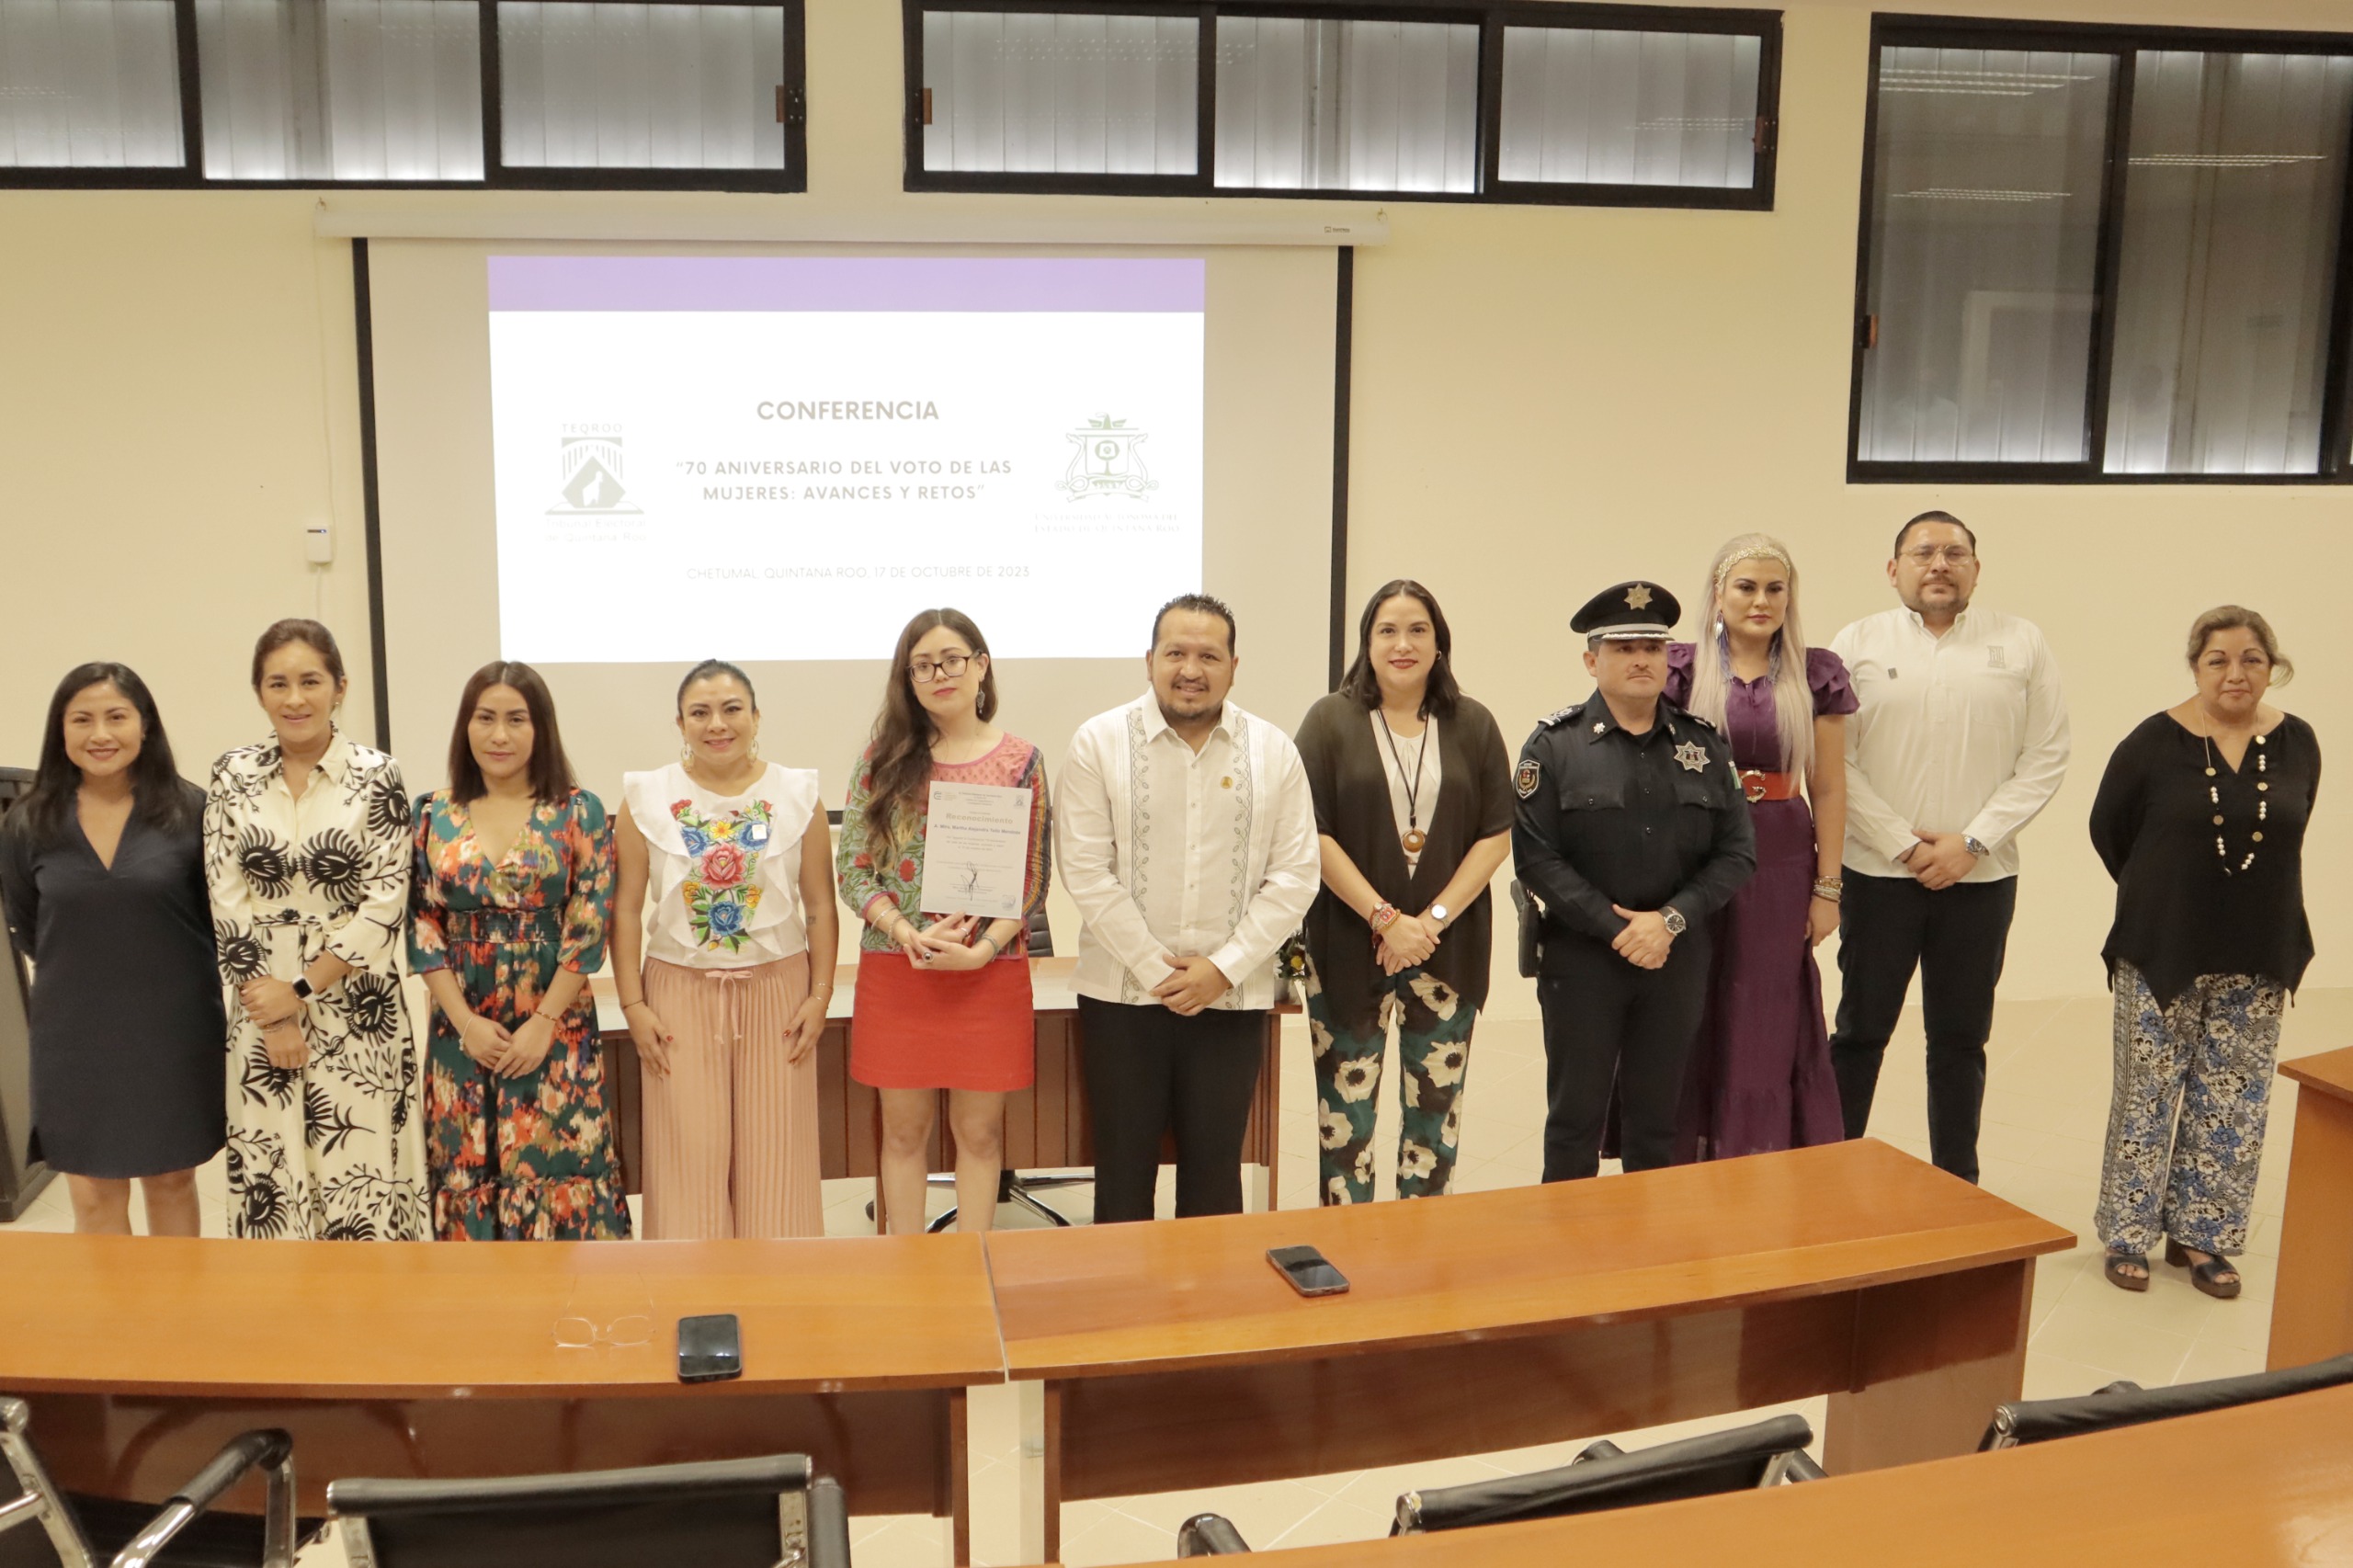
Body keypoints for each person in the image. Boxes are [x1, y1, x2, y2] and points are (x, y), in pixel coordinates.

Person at [1057, 594, 1319, 1221]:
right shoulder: (1098, 742)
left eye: (1209, 656)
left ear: (1234, 666)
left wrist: (1221, 969)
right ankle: (1126, 1288)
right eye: (1175, 653)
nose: (1191, 670)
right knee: (1122, 1172)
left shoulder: (1274, 750)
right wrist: (1158, 971)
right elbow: (1085, 870)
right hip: (1122, 998)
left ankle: (1210, 1289)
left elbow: (1295, 873)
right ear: (1149, 660)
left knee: (1215, 1173)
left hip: (1231, 996)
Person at [1828, 512, 2070, 1184]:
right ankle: (1826, 1176)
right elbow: (1835, 761)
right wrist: (1903, 846)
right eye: (1923, 552)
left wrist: (1973, 842)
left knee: (1961, 1040)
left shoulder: (2021, 642)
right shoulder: (1856, 643)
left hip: (1980, 878)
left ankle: (1958, 1185)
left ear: (1975, 569)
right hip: (1877, 875)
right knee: (1859, 1033)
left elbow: (2046, 755)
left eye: (1954, 553)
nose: (1939, 564)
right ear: (1894, 569)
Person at [2089, 608, 2316, 1299]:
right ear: (2196, 667)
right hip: (2163, 946)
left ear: (2272, 667)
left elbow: (2295, 823)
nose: (2235, 673)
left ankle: (2201, 1237)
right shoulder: (2152, 741)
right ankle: (2128, 1233)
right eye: (2218, 659)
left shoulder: (2299, 741)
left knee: (2234, 1102)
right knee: (2147, 1097)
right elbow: (2109, 828)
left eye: (2251, 659)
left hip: (2260, 946)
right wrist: (2163, 890)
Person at [1513, 580, 1756, 1182]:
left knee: (1657, 1122)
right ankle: (1569, 1236)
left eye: (1653, 647)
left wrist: (1668, 922)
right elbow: (1536, 858)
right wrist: (1620, 930)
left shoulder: (1704, 744)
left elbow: (1737, 853)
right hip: (1581, 958)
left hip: (1675, 955)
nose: (1642, 659)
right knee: (1574, 1120)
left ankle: (1650, 1239)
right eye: (1624, 649)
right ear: (1592, 661)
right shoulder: (1554, 747)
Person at [205, 619, 425, 1240]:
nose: (295, 698)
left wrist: (299, 991)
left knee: (358, 1175)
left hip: (357, 1002)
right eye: (278, 683)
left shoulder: (377, 773)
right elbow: (225, 899)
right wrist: (274, 1015)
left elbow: (384, 906)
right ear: (259, 692)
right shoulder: (231, 775)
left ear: (340, 688)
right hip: (260, 1002)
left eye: (310, 681)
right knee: (272, 1173)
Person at [1294, 580, 1513, 1204]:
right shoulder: (1329, 721)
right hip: (1346, 947)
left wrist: (1429, 921)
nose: (1403, 644)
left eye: (1418, 630)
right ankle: (1348, 1239)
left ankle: (1422, 1245)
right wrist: (1388, 919)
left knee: (1434, 1125)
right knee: (1345, 1124)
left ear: (1439, 644)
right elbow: (1310, 833)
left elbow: (1497, 835)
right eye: (1387, 630)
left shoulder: (1472, 723)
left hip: (1447, 950)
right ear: (1367, 644)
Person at [837, 609, 1051, 1234]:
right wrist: (906, 932)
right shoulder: (882, 759)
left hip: (988, 974)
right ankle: (907, 1268)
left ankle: (970, 1267)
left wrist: (983, 949)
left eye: (952, 659)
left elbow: (1032, 876)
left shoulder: (1022, 760)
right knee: (904, 1135)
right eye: (923, 666)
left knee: (979, 1136)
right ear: (908, 679)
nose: (939, 675)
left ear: (981, 665)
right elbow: (853, 869)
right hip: (898, 970)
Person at [610, 660, 835, 1239]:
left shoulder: (798, 794)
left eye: (732, 709)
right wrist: (633, 1005)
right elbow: (626, 910)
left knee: (777, 1159)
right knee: (687, 1158)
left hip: (780, 993)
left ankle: (780, 1286)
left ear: (755, 717)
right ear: (680, 724)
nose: (717, 724)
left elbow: (819, 905)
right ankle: (691, 1284)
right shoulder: (645, 796)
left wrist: (820, 995)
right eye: (700, 712)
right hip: (677, 994)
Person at [0, 664, 223, 1234]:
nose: (100, 734)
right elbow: (28, 925)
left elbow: (216, 919)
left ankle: (174, 1299)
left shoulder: (193, 812)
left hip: (174, 1030)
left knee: (171, 1181)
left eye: (116, 717)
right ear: (61, 730)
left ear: (144, 725)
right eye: (82, 720)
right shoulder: (28, 822)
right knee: (93, 1194)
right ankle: (111, 1301)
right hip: (74, 1036)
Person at [409, 662, 627, 1241]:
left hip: (556, 1025)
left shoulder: (580, 810)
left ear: (541, 728)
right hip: (463, 1030)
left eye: (516, 719)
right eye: (485, 718)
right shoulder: (431, 813)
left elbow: (589, 927)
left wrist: (543, 1024)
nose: (499, 735)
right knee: (466, 1165)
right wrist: (465, 1024)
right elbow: (422, 927)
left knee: (558, 1163)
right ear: (466, 726)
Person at [1665, 536, 1853, 1161]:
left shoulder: (1817, 673)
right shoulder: (1682, 671)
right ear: (1719, 595)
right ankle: (1686, 1151)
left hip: (1781, 853)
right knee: (1695, 992)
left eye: (1775, 588)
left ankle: (1755, 1151)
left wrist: (1828, 889)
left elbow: (1829, 787)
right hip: (1697, 850)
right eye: (1746, 587)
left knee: (1764, 1001)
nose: (1761, 600)